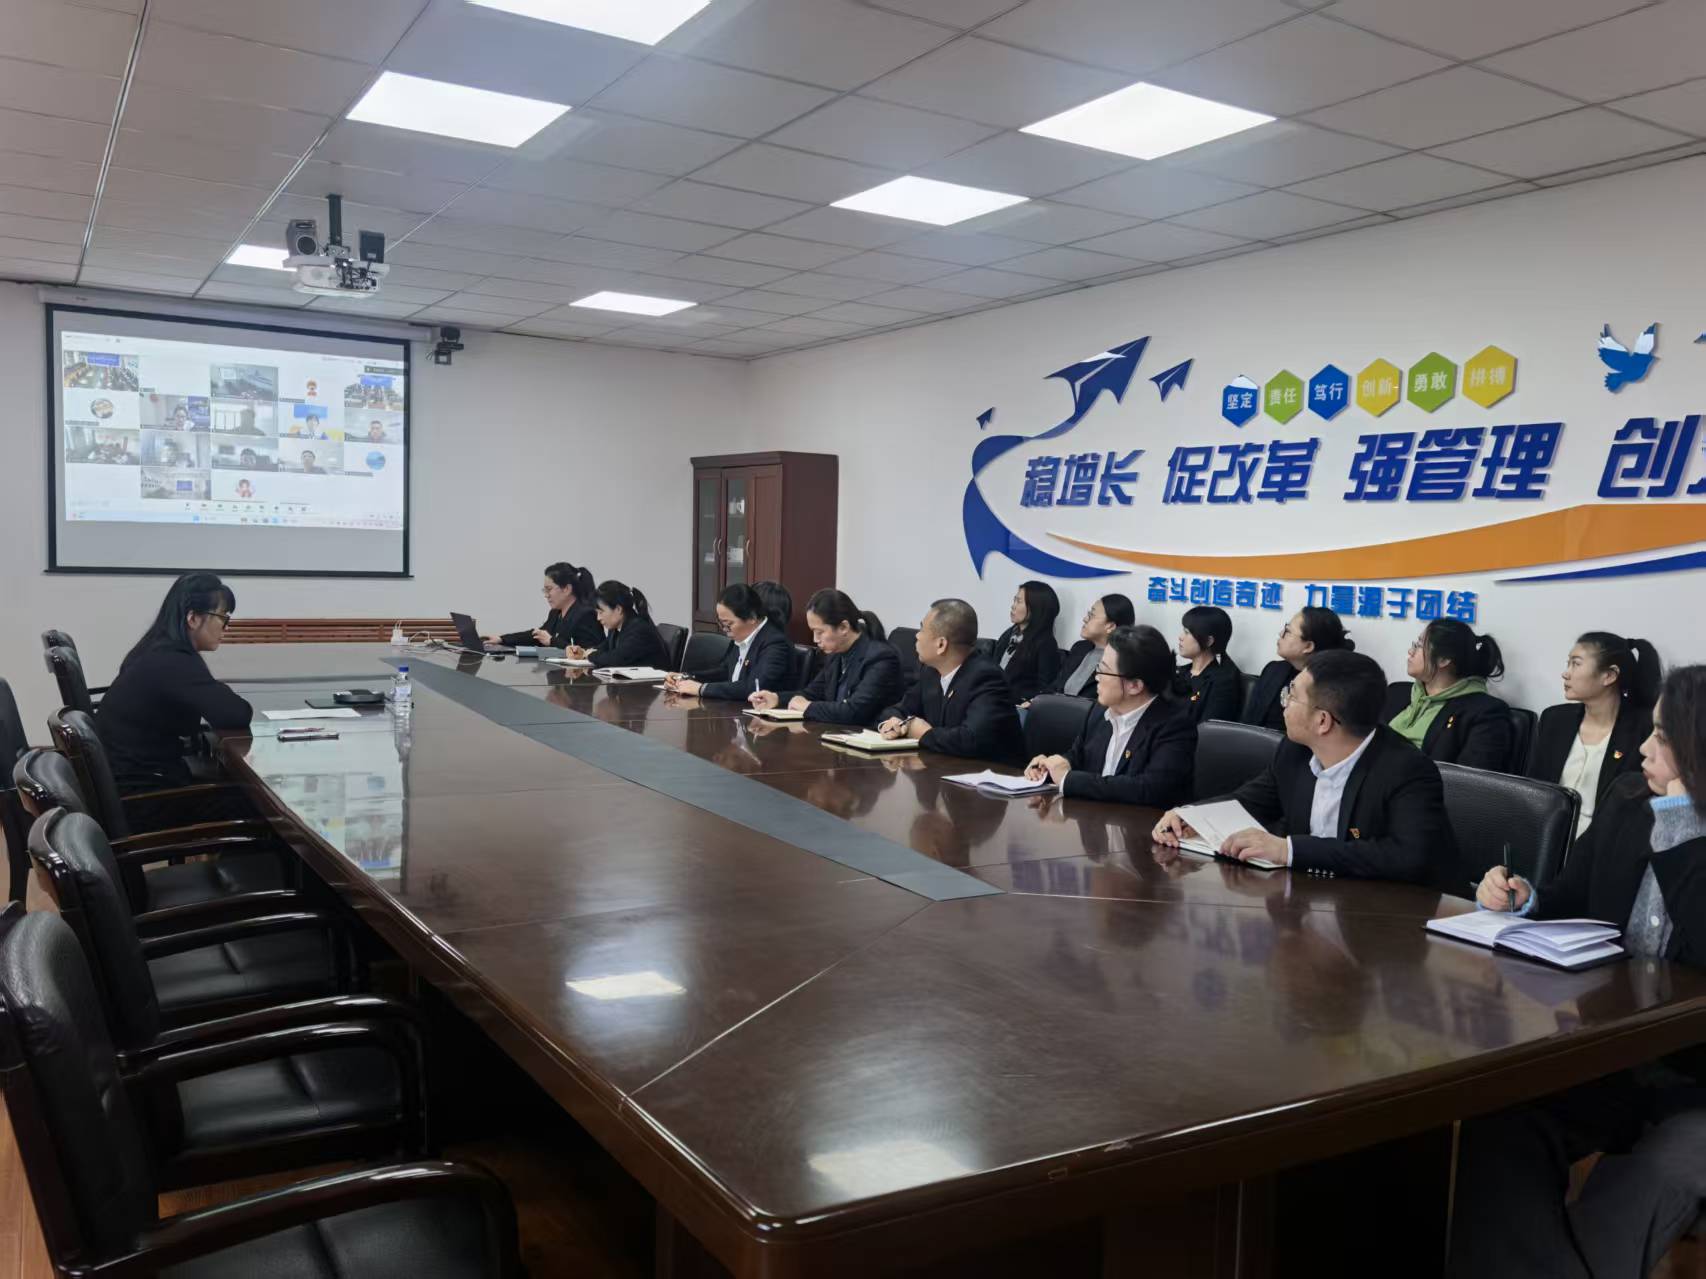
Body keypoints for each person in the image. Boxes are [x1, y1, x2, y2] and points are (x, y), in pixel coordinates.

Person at [1452, 666, 1706, 1279]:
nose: (1643, 749)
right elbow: (1573, 894)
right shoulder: (1629, 800)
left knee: (1654, 1178)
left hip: (1698, 1077)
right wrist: (1525, 896)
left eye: (1663, 737)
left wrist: (1680, 822)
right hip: (1611, 1051)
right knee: (1500, 1121)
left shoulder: (1668, 813)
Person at [1155, 650, 1457, 884]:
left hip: (1392, 919)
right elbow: (1251, 800)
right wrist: (1191, 816)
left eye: (1291, 696)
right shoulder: (1295, 751)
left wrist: (1289, 850)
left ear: (1322, 721)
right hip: (1310, 900)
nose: (1283, 704)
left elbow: (1406, 857)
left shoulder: (1406, 770)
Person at [93, 572, 253, 792]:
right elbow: (237, 713)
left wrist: (213, 689)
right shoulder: (174, 661)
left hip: (128, 778)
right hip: (146, 793)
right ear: (193, 618)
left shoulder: (154, 647)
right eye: (223, 617)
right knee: (248, 797)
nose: (226, 627)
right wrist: (217, 689)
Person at [1027, 624, 1195, 805]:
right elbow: (1078, 756)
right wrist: (1056, 765)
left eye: (1103, 670)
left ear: (1135, 686)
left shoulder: (1174, 725)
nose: (1096, 677)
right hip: (1093, 817)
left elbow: (1149, 789)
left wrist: (1069, 780)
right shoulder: (1100, 711)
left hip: (1139, 822)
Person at [1529, 632, 1661, 837]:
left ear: (1609, 675)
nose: (1566, 674)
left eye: (1576, 664)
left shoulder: (1644, 730)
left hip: (1606, 844)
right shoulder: (1555, 720)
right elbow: (1532, 789)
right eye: (1568, 664)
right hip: (1545, 837)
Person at [876, 599, 1024, 763]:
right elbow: (900, 709)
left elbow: (971, 740)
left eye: (922, 629)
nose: (917, 635)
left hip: (992, 773)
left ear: (941, 644)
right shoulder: (931, 672)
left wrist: (924, 734)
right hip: (944, 768)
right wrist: (893, 722)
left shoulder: (987, 677)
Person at [750, 588, 899, 725]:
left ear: (843, 627)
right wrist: (776, 699)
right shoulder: (835, 655)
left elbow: (854, 711)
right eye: (813, 632)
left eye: (820, 632)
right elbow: (811, 694)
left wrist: (808, 706)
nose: (815, 640)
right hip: (836, 734)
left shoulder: (881, 658)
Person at [1383, 618, 1515, 771]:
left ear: (1444, 660)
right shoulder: (1398, 693)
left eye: (1419, 646)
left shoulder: (1485, 712)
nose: (1410, 652)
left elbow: (1470, 780)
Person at [669, 583, 792, 700]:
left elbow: (754, 687)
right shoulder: (742, 635)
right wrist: (686, 677)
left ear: (752, 618)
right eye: (722, 624)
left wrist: (702, 689)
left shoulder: (775, 643)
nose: (725, 630)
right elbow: (724, 671)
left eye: (729, 624)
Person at [1243, 607, 1354, 731]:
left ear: (1308, 646)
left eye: (1288, 631)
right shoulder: (1273, 670)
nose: (1280, 634)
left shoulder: (1327, 687)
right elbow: (1248, 724)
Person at [1030, 594, 1135, 703]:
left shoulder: (1120, 662)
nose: (1085, 619)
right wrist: (1036, 701)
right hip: (1056, 708)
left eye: (1091, 615)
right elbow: (1056, 685)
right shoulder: (1081, 648)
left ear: (1110, 626)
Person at [493, 563, 602, 650]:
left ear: (567, 589)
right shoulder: (555, 613)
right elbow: (538, 636)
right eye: (544, 590)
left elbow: (588, 652)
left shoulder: (586, 615)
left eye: (549, 589)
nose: (546, 595)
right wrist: (501, 639)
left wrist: (552, 641)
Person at [565, 580, 668, 669]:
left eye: (601, 612)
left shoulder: (639, 629)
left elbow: (615, 659)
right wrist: (582, 652)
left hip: (653, 684)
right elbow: (603, 649)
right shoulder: (616, 628)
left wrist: (589, 655)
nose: (598, 618)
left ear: (618, 609)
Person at [989, 581, 1063, 703]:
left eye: (1019, 602)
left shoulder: (1046, 644)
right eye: (1014, 600)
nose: (1013, 606)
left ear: (1036, 608)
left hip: (1014, 704)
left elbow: (1045, 688)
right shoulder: (1009, 633)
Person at [1173, 605, 1242, 724]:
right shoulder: (1180, 672)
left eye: (1187, 632)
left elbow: (1209, 729)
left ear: (1208, 641)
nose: (1180, 637)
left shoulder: (1222, 683)